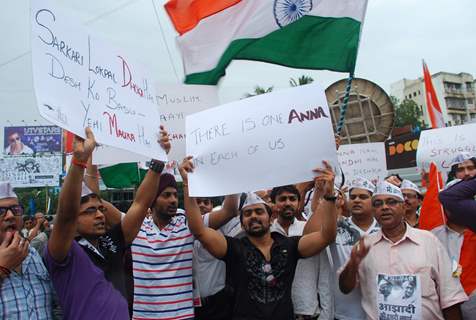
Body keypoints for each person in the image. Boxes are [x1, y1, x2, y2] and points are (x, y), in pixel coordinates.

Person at [180, 158, 337, 319]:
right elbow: (198, 230)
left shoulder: (290, 245)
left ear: (270, 218)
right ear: (242, 224)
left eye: (259, 212)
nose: (253, 216)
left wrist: (330, 196)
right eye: (247, 214)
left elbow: (327, 236)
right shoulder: (234, 248)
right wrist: (187, 184)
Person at [45, 127, 170, 319]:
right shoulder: (64, 250)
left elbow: (140, 203)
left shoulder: (111, 243)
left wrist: (158, 162)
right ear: (74, 221)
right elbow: (66, 215)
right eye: (89, 211)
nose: (99, 215)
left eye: (100, 209)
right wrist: (79, 161)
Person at [339, 181, 467, 320]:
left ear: (404, 207)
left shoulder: (428, 241)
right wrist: (353, 264)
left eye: (391, 202)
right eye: (378, 204)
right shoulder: (363, 246)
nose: (384, 207)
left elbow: (450, 297)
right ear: (373, 210)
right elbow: (345, 288)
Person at [132, 165, 239, 319]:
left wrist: (234, 172)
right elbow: (97, 203)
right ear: (152, 200)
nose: (173, 200)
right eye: (166, 195)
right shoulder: (135, 227)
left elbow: (229, 211)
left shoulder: (187, 224)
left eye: (175, 195)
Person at [327, 177, 379, 320]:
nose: (356, 200)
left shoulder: (385, 228)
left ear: (373, 201)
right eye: (353, 197)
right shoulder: (336, 227)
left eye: (363, 197)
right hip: (345, 313)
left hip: (379, 312)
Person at [269, 184, 325, 320]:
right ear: (273, 204)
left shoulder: (310, 229)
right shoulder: (265, 233)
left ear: (299, 202)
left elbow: (323, 270)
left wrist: (326, 311)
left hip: (307, 309)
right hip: (274, 310)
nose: (288, 203)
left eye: (292, 199)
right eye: (282, 199)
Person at [0, 181, 54, 319]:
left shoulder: (33, 253)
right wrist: (2, 268)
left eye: (16, 210)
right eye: (1, 211)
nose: (10, 216)